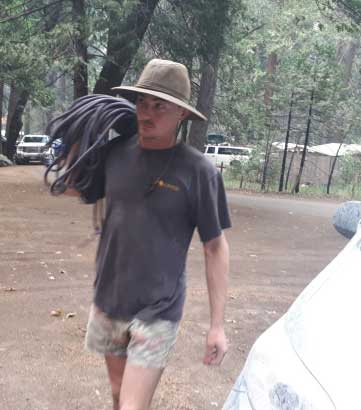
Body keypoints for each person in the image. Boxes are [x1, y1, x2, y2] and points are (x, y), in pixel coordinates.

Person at [83, 59, 231, 410]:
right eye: (142, 103)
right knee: (119, 394)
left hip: (158, 309)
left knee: (132, 406)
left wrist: (217, 326)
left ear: (181, 113)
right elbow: (77, 188)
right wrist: (78, 138)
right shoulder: (114, 154)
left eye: (159, 106)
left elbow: (215, 247)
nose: (146, 113)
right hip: (109, 300)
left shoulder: (199, 172)